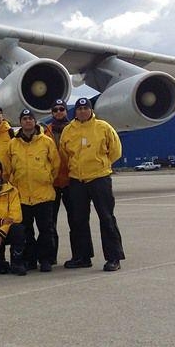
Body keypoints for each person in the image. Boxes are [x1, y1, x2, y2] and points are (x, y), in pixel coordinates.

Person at [58, 97, 125, 272]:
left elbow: (116, 151)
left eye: (85, 108)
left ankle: (113, 257)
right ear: (75, 112)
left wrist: (101, 164)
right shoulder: (68, 130)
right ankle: (82, 256)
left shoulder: (103, 127)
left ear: (90, 110)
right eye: (79, 109)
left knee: (106, 217)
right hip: (77, 180)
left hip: (99, 178)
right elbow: (64, 154)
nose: (82, 111)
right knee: (78, 220)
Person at [9, 109, 61, 272]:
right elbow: (9, 168)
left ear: (35, 121)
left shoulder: (46, 141)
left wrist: (46, 179)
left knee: (46, 230)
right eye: (24, 119)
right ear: (20, 121)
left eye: (30, 118)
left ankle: (45, 259)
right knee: (26, 230)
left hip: (43, 194)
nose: (28, 121)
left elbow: (56, 164)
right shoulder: (13, 144)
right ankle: (30, 260)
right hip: (22, 195)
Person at [43, 98, 72, 264]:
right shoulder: (46, 131)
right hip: (52, 183)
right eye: (55, 110)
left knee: (76, 221)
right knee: (49, 223)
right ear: (51, 113)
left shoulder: (74, 129)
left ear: (66, 111)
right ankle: (50, 256)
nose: (59, 112)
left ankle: (80, 255)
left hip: (71, 181)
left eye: (62, 109)